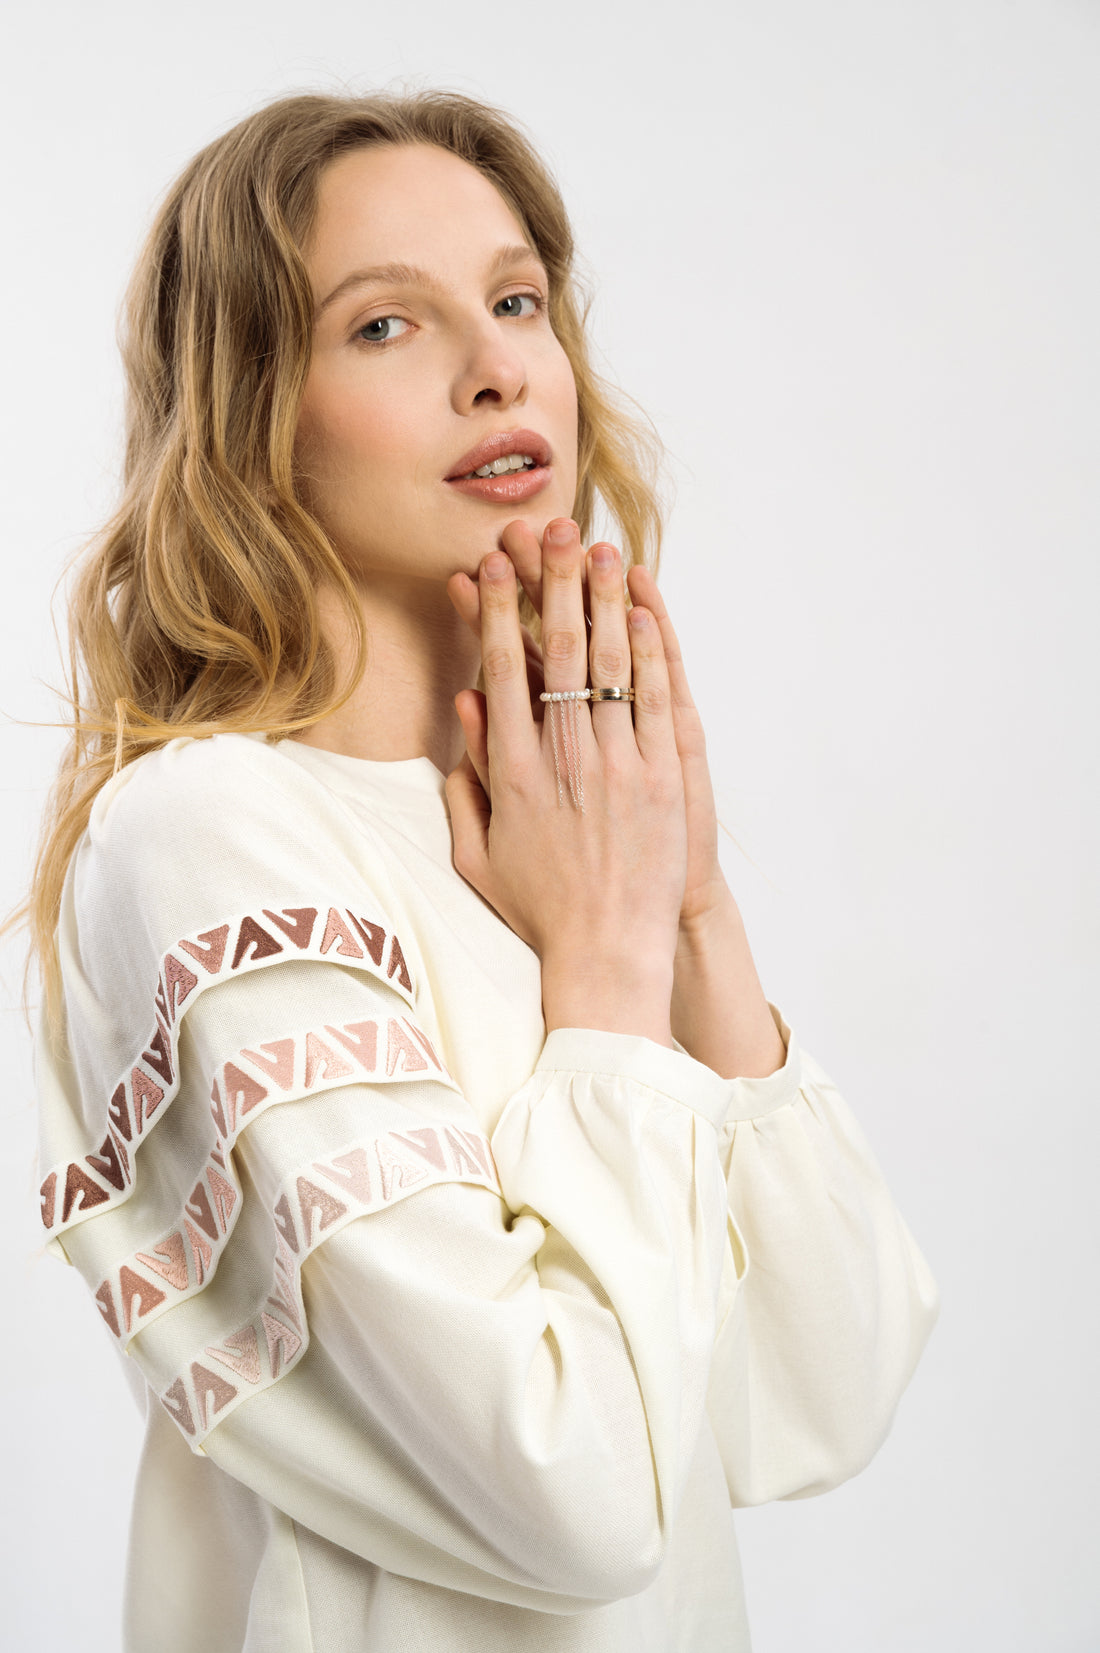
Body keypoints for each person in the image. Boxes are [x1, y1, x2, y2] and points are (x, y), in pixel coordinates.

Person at [28, 89, 938, 1652]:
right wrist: (599, 964)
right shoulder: (213, 832)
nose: (501, 364)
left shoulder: (549, 834)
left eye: (518, 302)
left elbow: (823, 1390)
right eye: (387, 325)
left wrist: (686, 904)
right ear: (254, 412)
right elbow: (573, 1489)